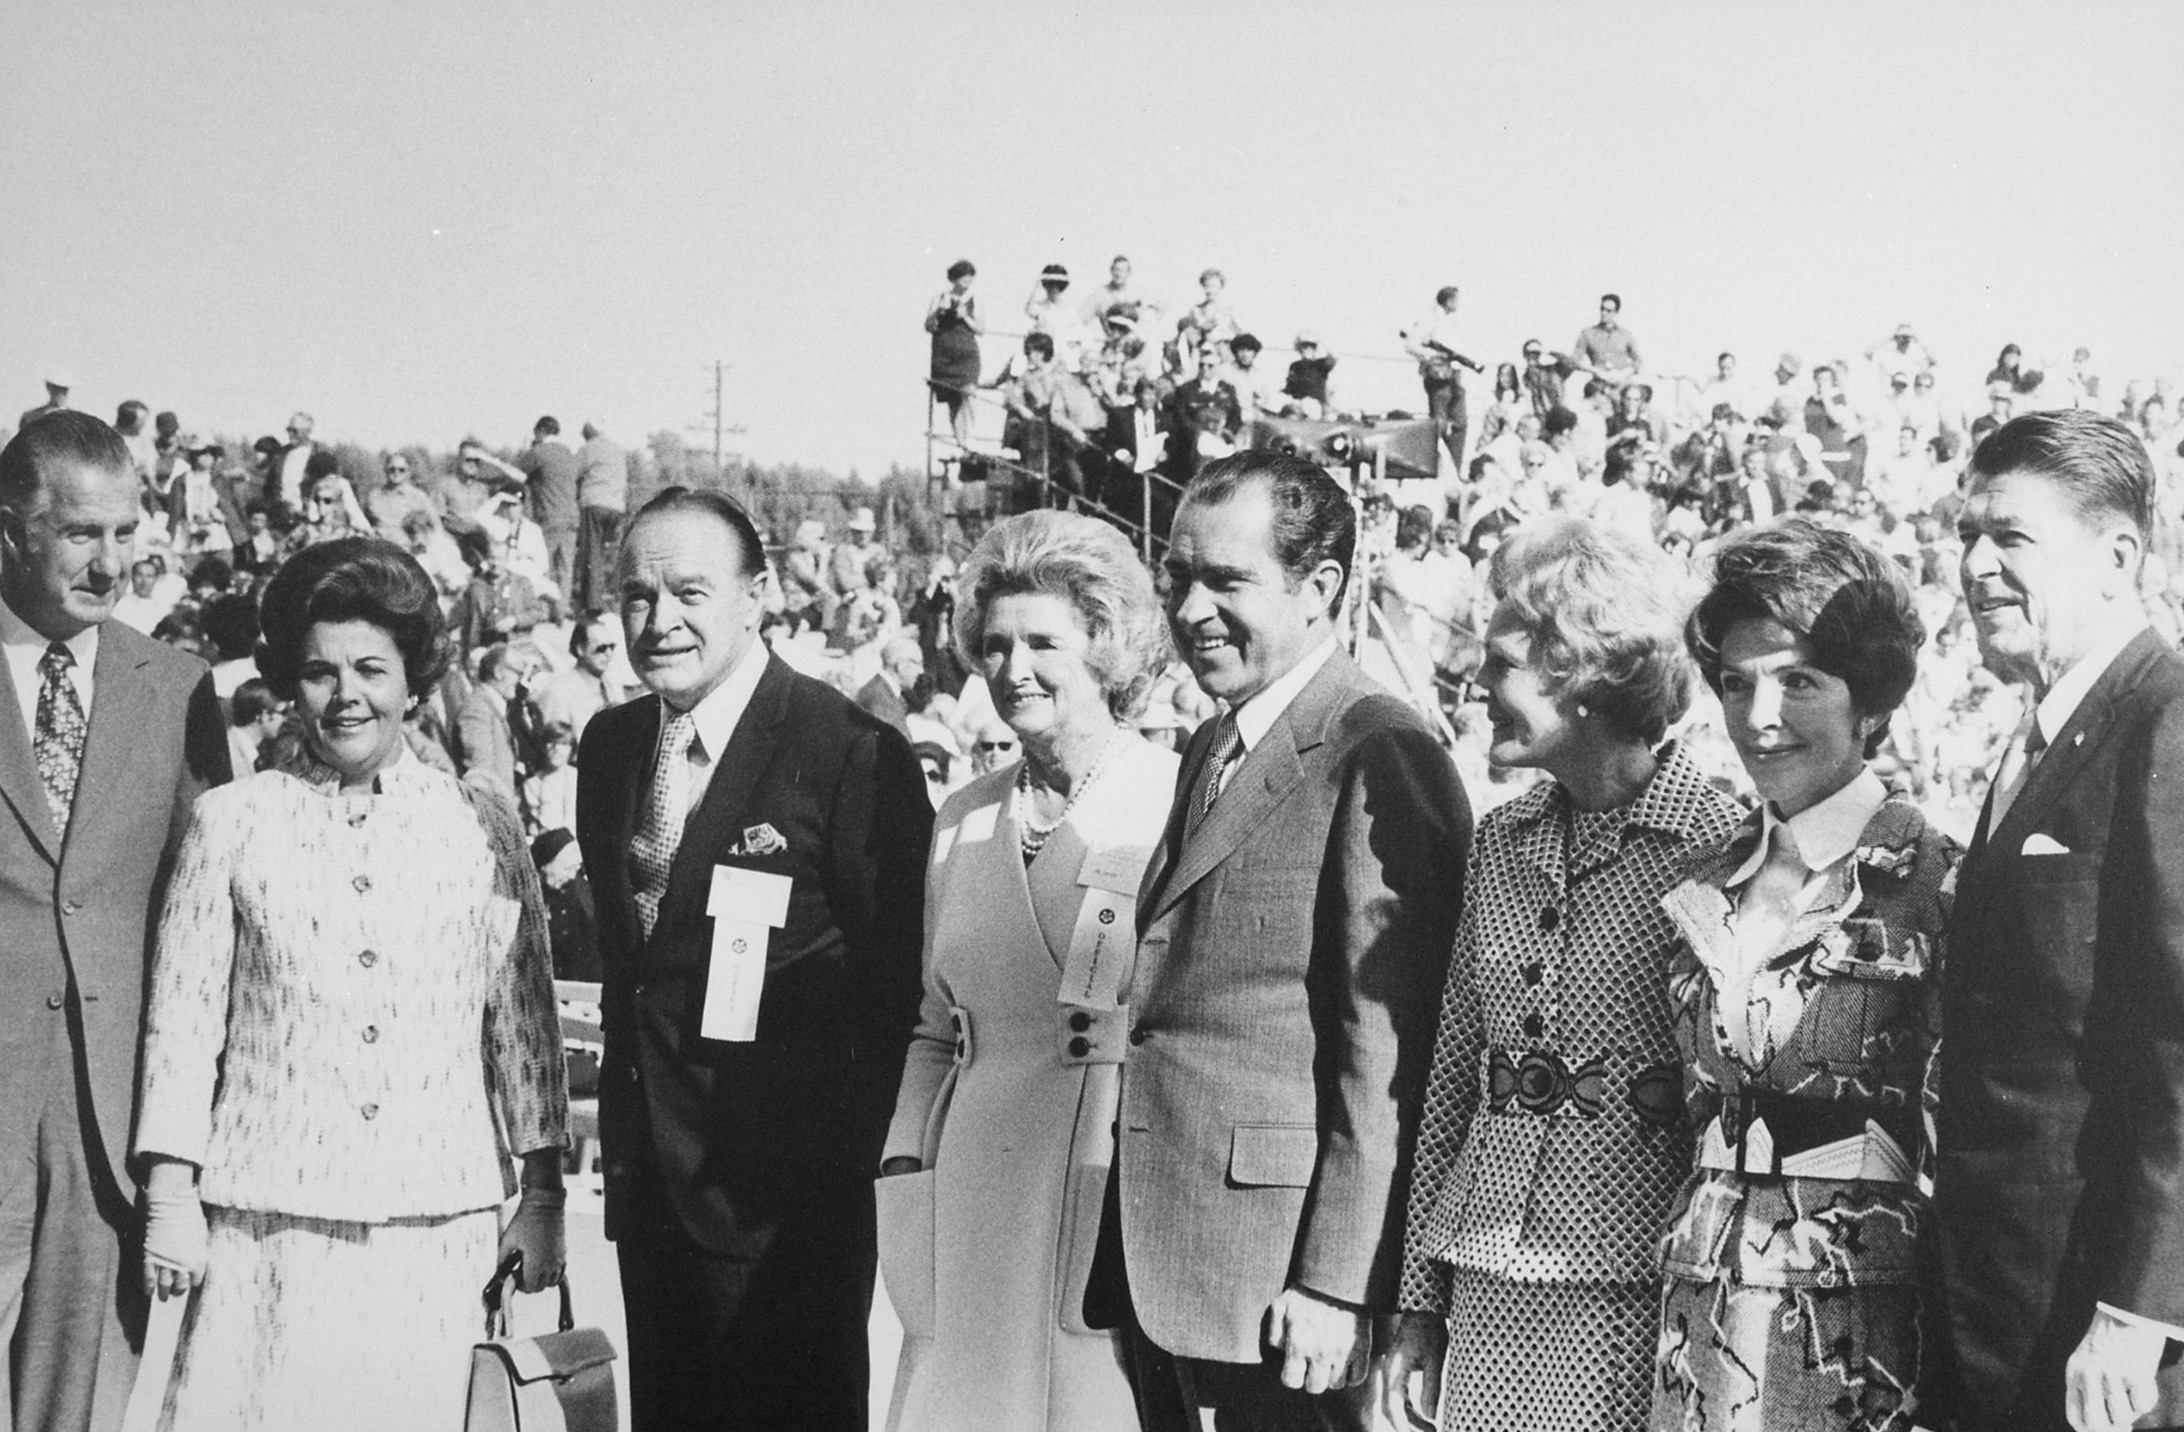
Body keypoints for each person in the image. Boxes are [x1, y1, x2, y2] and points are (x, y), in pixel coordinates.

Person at [134, 536, 567, 1431]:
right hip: (269, 1229)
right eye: (319, 672)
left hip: (437, 1229)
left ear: (414, 676)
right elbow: (181, 1023)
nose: (347, 696)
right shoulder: (231, 822)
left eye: (371, 668)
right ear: (289, 681)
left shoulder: (477, 825)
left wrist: (545, 1196)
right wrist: (171, 1195)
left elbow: (522, 1027)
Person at [1092, 451, 1472, 1431]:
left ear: (1322, 588)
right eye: (1178, 577)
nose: (1190, 609)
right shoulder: (1218, 741)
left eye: (1227, 580)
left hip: (1285, 1293)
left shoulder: (1377, 749)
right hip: (1183, 1271)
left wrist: (1342, 1282)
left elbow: (1389, 1055)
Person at [575, 486, 931, 1430]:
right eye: (637, 598)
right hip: (651, 1188)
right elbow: (632, 976)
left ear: (757, 594)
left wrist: (832, 1177)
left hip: (787, 1214)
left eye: (689, 592)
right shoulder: (610, 748)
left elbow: (899, 992)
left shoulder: (850, 750)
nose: (661, 621)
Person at [1381, 517, 1741, 1432]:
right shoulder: (1502, 839)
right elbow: (1457, 1076)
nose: (1476, 686)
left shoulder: (1716, 848)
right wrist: (1421, 1301)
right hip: (1489, 1276)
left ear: (1581, 674)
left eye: (1501, 662)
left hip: (1637, 1285)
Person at [1651, 521, 1955, 1432]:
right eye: (1736, 684)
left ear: (1869, 701)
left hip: (1857, 1329)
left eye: (1798, 681)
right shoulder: (1704, 880)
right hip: (1700, 1314)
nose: (1758, 715)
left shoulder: (1935, 881)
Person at [877, 511, 1178, 1431]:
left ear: (1106, 643)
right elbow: (933, 1022)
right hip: (968, 1182)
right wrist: (902, 1155)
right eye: (997, 644)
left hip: (1102, 1172)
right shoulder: (962, 813)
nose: (1015, 669)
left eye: (1044, 642)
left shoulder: (1170, 800)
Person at [1935, 410, 2184, 1432]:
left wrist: (2137, 1308)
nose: (1976, 565)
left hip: (2099, 1338)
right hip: (2004, 1314)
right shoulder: (2042, 731)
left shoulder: (2165, 719)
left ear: (2118, 555)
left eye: (2013, 537)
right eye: (1966, 536)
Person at [0, 413, 231, 1432]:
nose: (111, 563)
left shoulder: (176, 688)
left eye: (127, 532)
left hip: (106, 1124)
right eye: (81, 534)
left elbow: (206, 913)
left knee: (78, 1404)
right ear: (11, 529)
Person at [1403, 285, 1484, 475]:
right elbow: (1411, 344)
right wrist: (1431, 356)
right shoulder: (1430, 319)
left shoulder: (1451, 321)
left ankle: (1453, 471)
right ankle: (1435, 469)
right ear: (1448, 301)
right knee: (1438, 425)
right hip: (1439, 376)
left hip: (1455, 375)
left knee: (1459, 424)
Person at [530, 610, 626, 743]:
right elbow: (551, 748)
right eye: (601, 648)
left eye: (611, 647)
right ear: (580, 649)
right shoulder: (558, 692)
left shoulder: (613, 685)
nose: (608, 653)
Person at [926, 259, 984, 449]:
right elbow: (928, 326)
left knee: (969, 392)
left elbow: (981, 328)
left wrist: (964, 316)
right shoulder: (940, 297)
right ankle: (961, 443)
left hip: (966, 354)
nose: (966, 284)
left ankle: (971, 436)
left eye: (969, 280)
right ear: (954, 279)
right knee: (953, 401)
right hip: (944, 353)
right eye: (963, 280)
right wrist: (939, 312)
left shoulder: (975, 299)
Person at [573, 421, 628, 615]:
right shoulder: (617, 449)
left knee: (592, 554)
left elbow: (573, 473)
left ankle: (593, 605)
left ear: (588, 434)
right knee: (611, 554)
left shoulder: (588, 449)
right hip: (617, 507)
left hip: (595, 504)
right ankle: (614, 598)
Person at [857, 632, 923, 738]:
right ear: (901, 665)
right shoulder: (880, 698)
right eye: (918, 664)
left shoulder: (884, 690)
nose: (921, 671)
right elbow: (897, 747)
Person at [1573, 292, 1642, 387]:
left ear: (1616, 312)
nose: (1603, 313)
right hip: (1598, 385)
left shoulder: (1625, 335)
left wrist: (1623, 373)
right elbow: (1575, 360)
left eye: (1608, 311)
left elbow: (1638, 361)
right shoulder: (1587, 333)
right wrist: (1595, 371)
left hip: (1622, 385)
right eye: (1602, 309)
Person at [225, 676, 283, 777]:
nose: (284, 719)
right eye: (282, 712)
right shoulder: (234, 755)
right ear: (262, 715)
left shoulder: (238, 744)